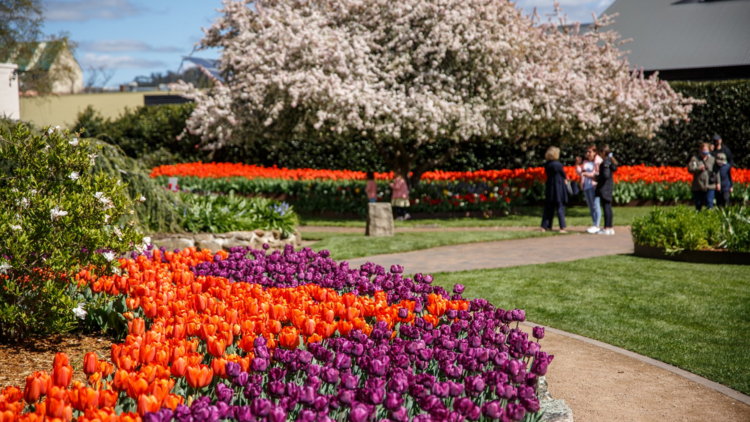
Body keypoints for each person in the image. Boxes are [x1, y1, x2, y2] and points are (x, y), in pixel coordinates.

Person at [575, 145, 603, 234]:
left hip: (594, 186)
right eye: (587, 152)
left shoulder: (598, 161)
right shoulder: (585, 162)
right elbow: (580, 172)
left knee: (595, 205)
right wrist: (577, 164)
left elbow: (600, 174)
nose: (588, 154)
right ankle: (594, 224)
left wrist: (590, 175)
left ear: (595, 152)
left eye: (590, 152)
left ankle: (597, 225)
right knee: (591, 206)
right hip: (586, 186)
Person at [540, 146, 568, 233]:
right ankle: (562, 227)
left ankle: (545, 226)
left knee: (548, 208)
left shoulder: (547, 165)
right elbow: (564, 174)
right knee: (560, 207)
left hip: (550, 187)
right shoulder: (558, 165)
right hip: (558, 187)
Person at [688, 143, 720, 211]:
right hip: (698, 185)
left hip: (710, 185)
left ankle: (709, 217)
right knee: (698, 203)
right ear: (700, 150)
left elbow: (716, 172)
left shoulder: (712, 159)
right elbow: (690, 169)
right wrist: (699, 168)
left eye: (706, 150)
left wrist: (718, 183)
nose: (705, 152)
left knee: (709, 202)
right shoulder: (695, 159)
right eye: (703, 150)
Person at [595, 145, 618, 235]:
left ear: (603, 153)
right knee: (608, 207)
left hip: (604, 187)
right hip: (609, 187)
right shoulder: (610, 162)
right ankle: (610, 227)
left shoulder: (605, 162)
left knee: (606, 207)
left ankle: (606, 227)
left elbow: (605, 175)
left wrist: (597, 177)